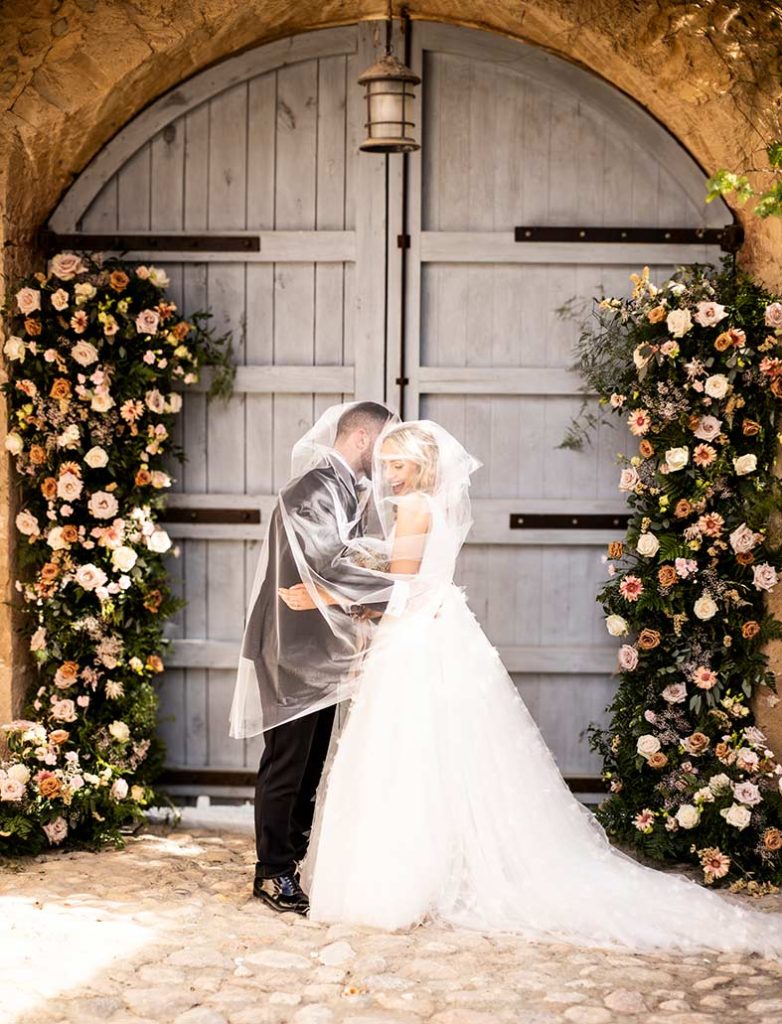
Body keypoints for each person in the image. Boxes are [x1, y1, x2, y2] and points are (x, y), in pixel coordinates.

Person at [282, 419, 782, 956]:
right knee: (434, 755)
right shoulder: (436, 506)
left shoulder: (412, 508)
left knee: (403, 753)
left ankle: (398, 883)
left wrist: (323, 597)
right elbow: (420, 577)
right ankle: (435, 867)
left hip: (413, 641)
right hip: (440, 629)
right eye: (385, 466)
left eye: (397, 466)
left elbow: (399, 589)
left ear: (421, 466)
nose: (388, 475)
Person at [230, 401, 396, 915]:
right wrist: (402, 587)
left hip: (320, 650)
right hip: (290, 648)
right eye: (385, 443)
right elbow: (325, 566)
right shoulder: (313, 490)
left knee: (310, 765)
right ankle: (272, 873)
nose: (388, 456)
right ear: (363, 440)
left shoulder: (349, 489)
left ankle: (291, 863)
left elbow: (343, 564)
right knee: (287, 765)